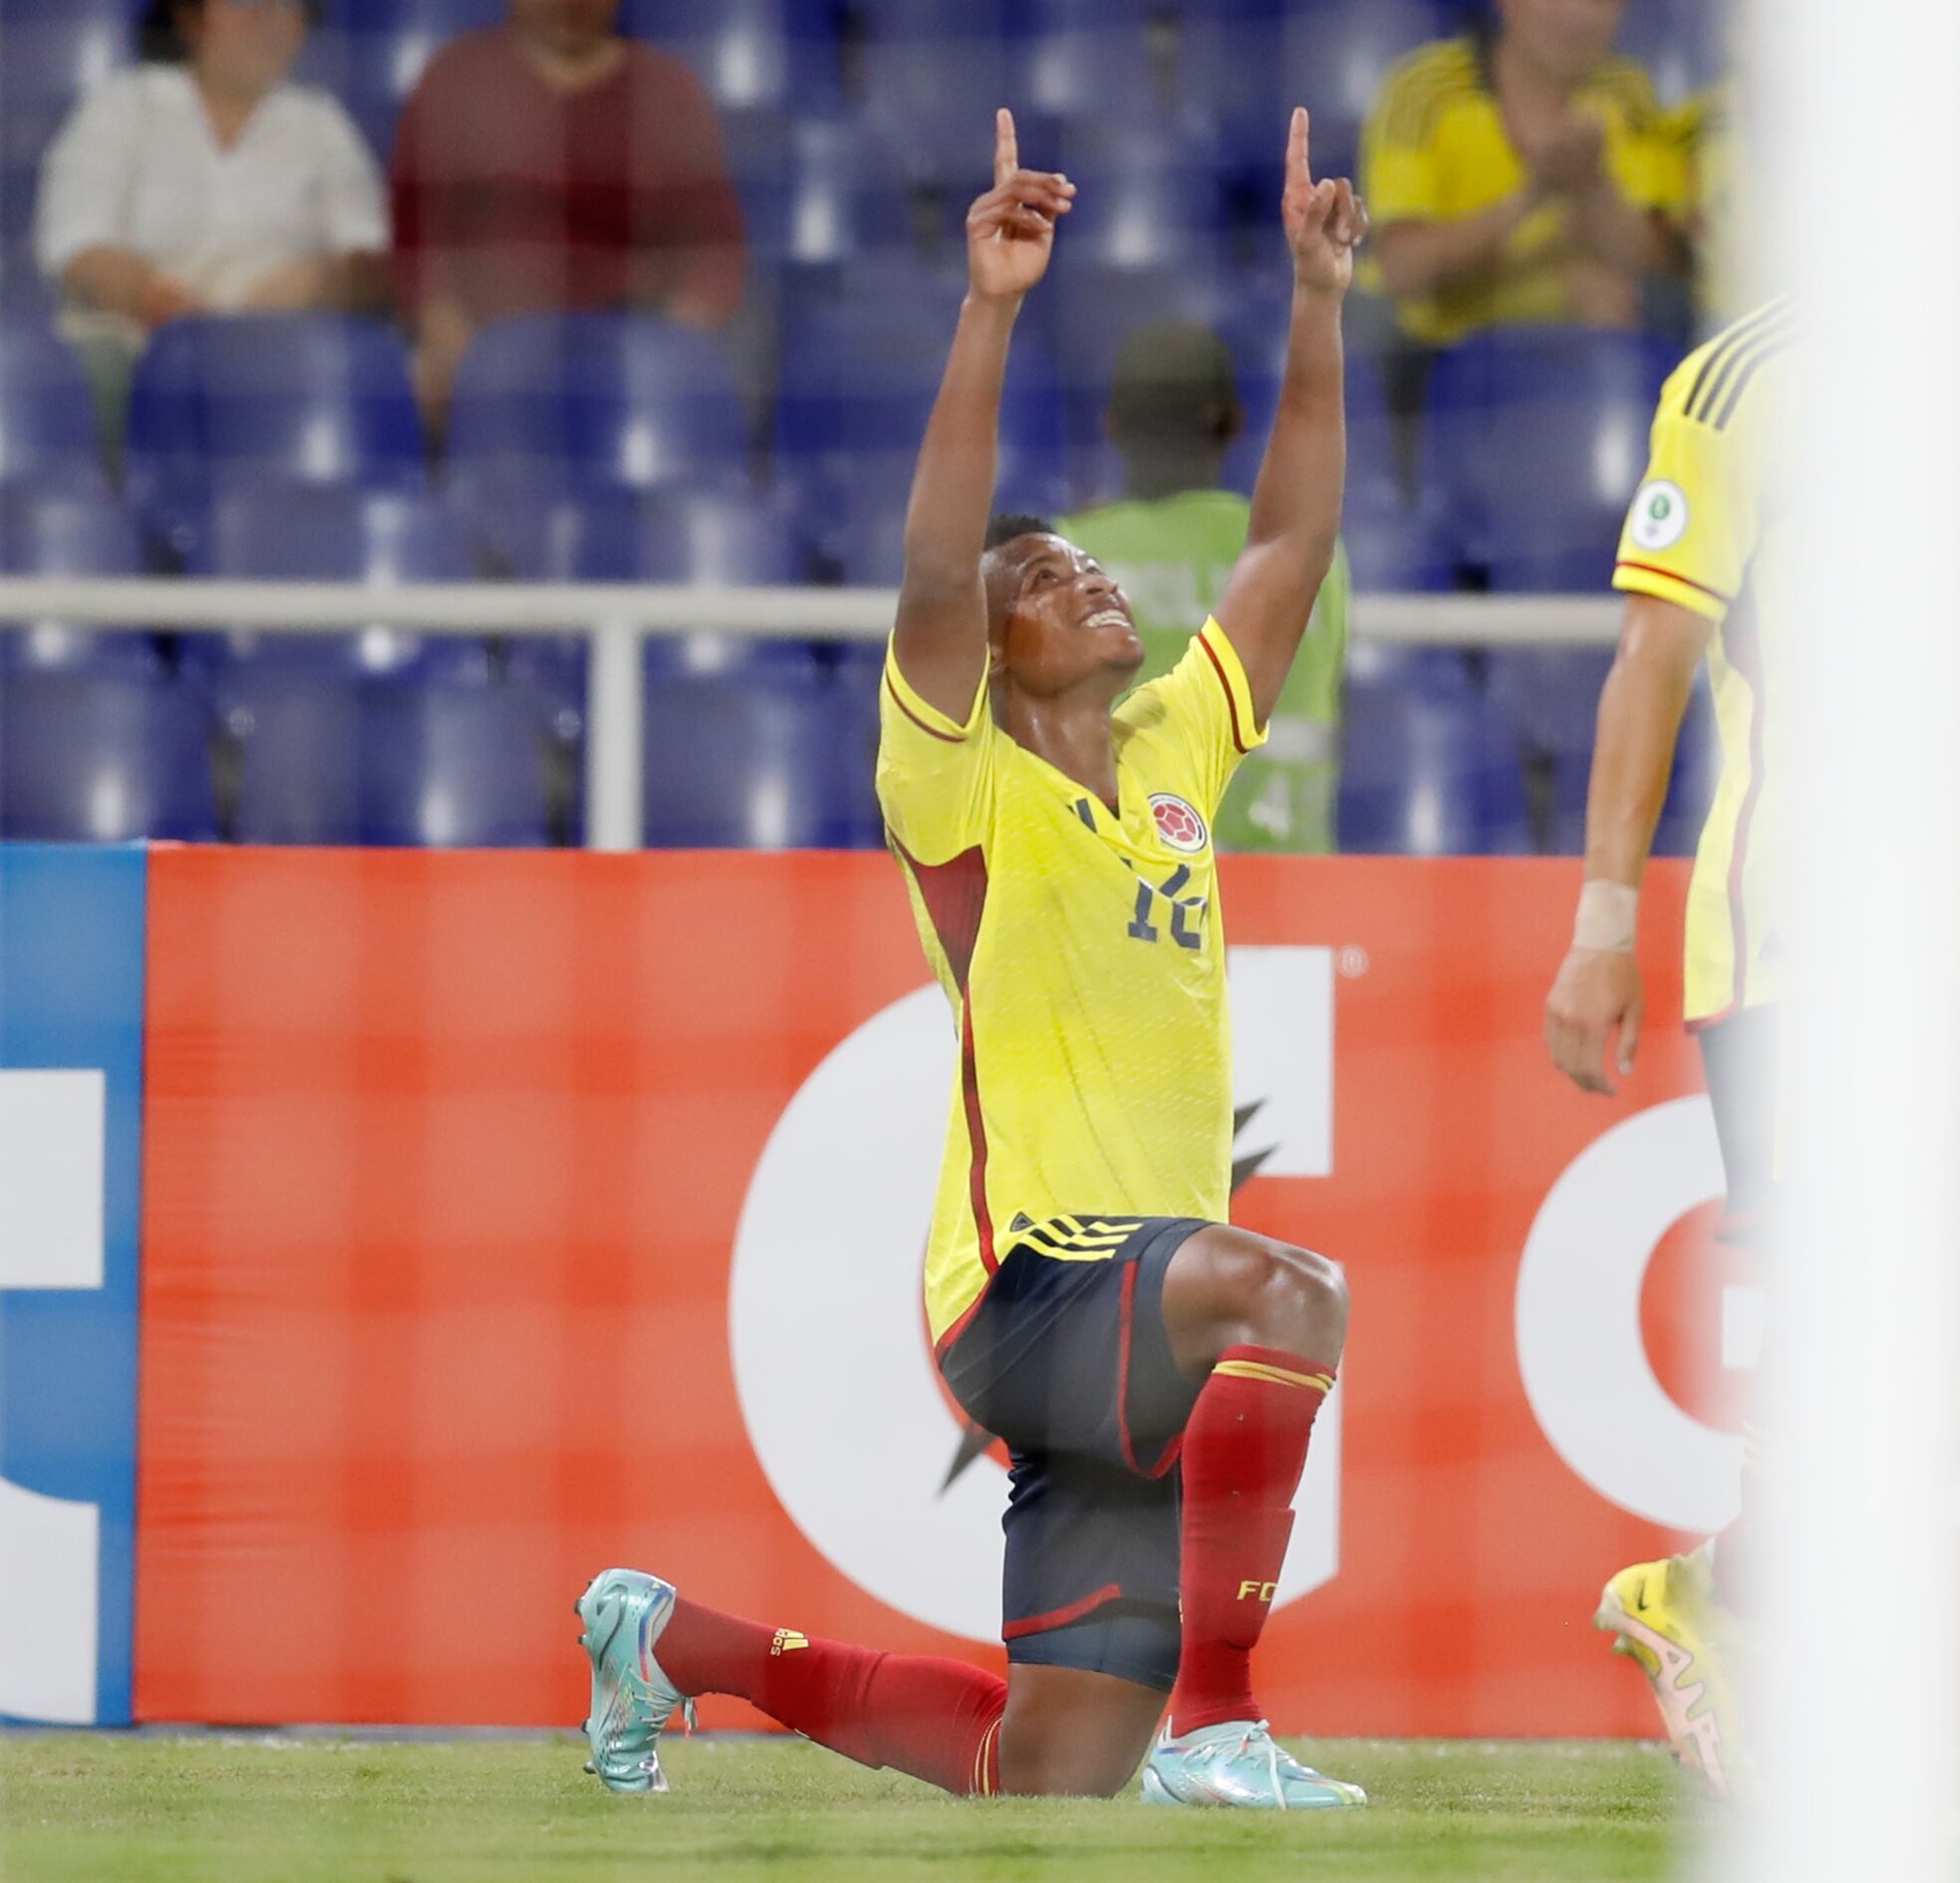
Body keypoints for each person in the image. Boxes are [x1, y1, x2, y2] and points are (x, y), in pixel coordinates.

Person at [574, 110, 1372, 1811]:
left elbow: (1288, 548)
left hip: (1129, 1310)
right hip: (1024, 1285)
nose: (1083, 577)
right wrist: (991, 309)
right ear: (994, 650)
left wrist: (1316, 301)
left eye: (1086, 563)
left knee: (1051, 1769)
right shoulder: (956, 784)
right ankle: (1227, 1729)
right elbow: (934, 565)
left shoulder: (1171, 752)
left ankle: (666, 1642)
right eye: (1047, 576)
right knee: (1294, 1291)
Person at [1540, 103, 1960, 1803]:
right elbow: (1650, 656)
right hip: (1801, 933)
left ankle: (1726, 1592)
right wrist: (1604, 914)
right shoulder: (1746, 374)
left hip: (1956, 943)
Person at [35, 0, 389, 445]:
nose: (270, 21)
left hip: (284, 349)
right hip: (138, 341)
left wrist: (315, 284)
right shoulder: (122, 106)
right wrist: (159, 304)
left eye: (288, 8)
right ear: (191, 18)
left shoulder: (324, 124)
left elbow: (368, 260)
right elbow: (76, 243)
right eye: (249, 6)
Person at [1058, 321, 1351, 854]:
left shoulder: (1061, 561)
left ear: (1112, 426)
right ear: (1236, 424)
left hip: (1129, 893)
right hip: (1293, 887)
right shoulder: (1313, 558)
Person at [389, 0, 746, 423]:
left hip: (627, 363)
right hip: (483, 356)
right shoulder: (456, 77)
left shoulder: (668, 89)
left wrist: (673, 342)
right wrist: (444, 333)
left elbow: (716, 246)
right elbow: (414, 230)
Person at [1361, 0, 1692, 355]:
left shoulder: (1630, 93)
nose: (1577, 15)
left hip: (1591, 355)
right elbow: (1403, 270)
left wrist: (1593, 185)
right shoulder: (1424, 91)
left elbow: (1658, 261)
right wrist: (1531, 197)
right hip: (1438, 358)